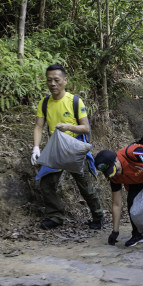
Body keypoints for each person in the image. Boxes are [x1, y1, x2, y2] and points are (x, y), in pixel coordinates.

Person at [31, 64, 103, 230]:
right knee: (46, 184)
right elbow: (38, 126)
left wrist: (68, 127)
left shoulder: (75, 101)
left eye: (57, 80)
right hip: (55, 150)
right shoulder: (44, 103)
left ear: (65, 80)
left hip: (75, 149)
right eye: (49, 80)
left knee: (85, 186)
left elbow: (85, 128)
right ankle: (56, 216)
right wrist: (36, 147)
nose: (53, 84)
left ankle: (98, 215)